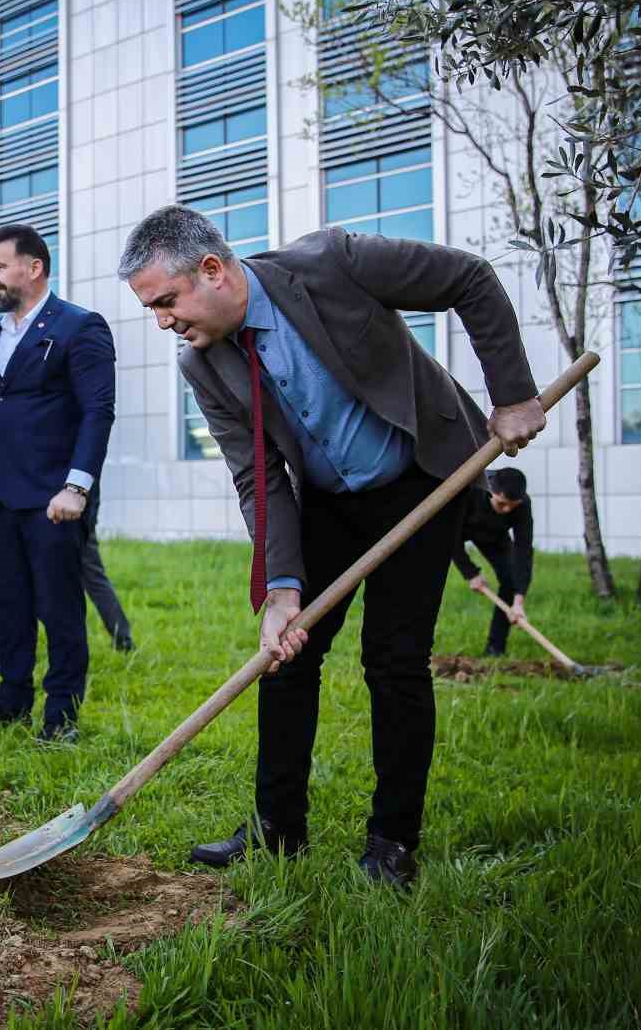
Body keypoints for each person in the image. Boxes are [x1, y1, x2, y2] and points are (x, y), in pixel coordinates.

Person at [118, 206, 545, 885]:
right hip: (326, 500)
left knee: (393, 658)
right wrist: (282, 589)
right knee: (286, 655)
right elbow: (258, 477)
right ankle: (277, 829)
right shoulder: (204, 366)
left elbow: (469, 277)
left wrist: (514, 394)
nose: (164, 321)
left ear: (212, 271)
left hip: (421, 476)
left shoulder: (333, 262)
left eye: (166, 302)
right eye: (153, 310)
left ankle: (392, 840)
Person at [0, 224, 116, 744]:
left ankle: (61, 718)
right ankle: (11, 704)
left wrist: (77, 487)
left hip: (55, 501)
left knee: (60, 610)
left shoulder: (79, 327)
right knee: (10, 607)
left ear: (34, 267)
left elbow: (97, 412)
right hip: (2, 497)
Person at [452, 467, 534, 656]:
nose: (507, 510)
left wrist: (519, 600)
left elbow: (524, 549)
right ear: (491, 492)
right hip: (458, 529)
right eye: (502, 504)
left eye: (512, 506)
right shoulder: (470, 489)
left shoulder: (522, 504)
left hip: (493, 536)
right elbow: (450, 538)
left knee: (510, 581)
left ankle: (495, 649)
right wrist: (470, 573)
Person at [81, 484, 134, 652]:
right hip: (80, 511)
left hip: (71, 513)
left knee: (93, 577)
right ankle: (123, 638)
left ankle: (123, 638)